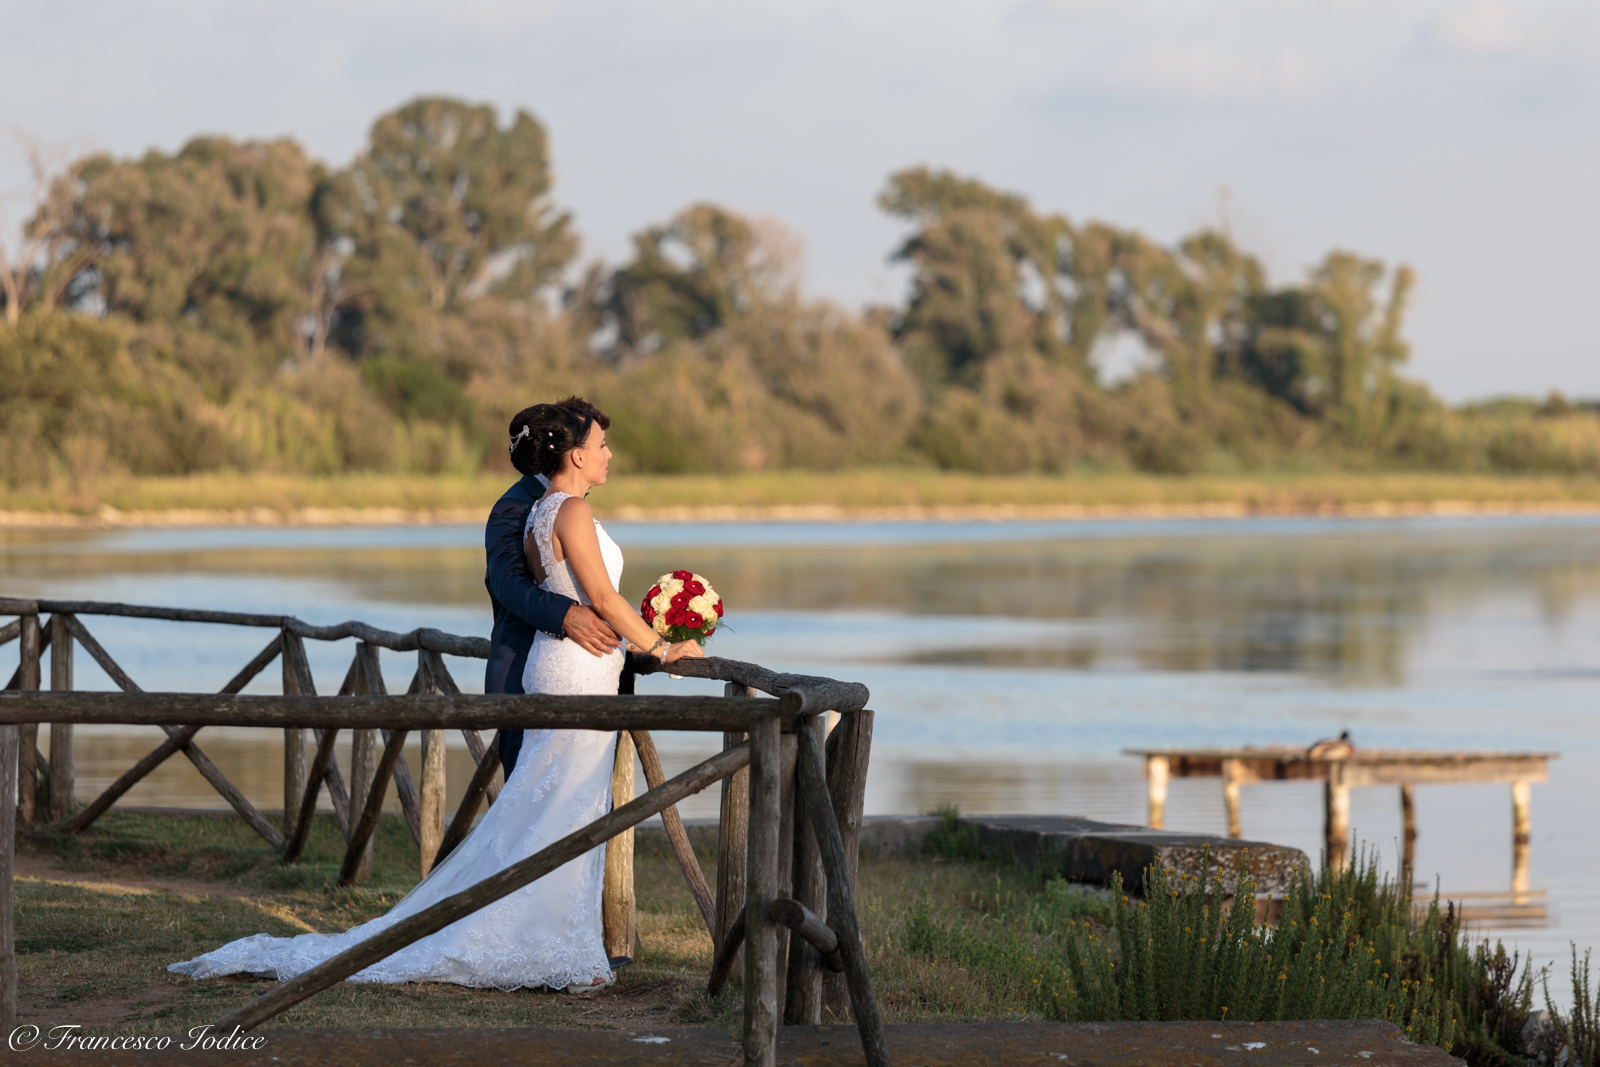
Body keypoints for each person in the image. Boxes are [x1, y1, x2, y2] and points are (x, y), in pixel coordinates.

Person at [168, 399, 704, 993]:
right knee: (557, 809)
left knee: (558, 810)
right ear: (573, 454)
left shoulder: (547, 507)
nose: (610, 454)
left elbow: (586, 591)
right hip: (567, 669)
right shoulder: (544, 508)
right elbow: (564, 593)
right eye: (601, 444)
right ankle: (540, 944)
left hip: (576, 668)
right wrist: (658, 646)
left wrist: (628, 636)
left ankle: (564, 943)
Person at [486, 398, 621, 777]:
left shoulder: (570, 502)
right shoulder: (514, 506)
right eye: (596, 442)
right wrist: (565, 615)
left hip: (590, 674)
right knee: (534, 793)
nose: (606, 452)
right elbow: (506, 583)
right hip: (530, 674)